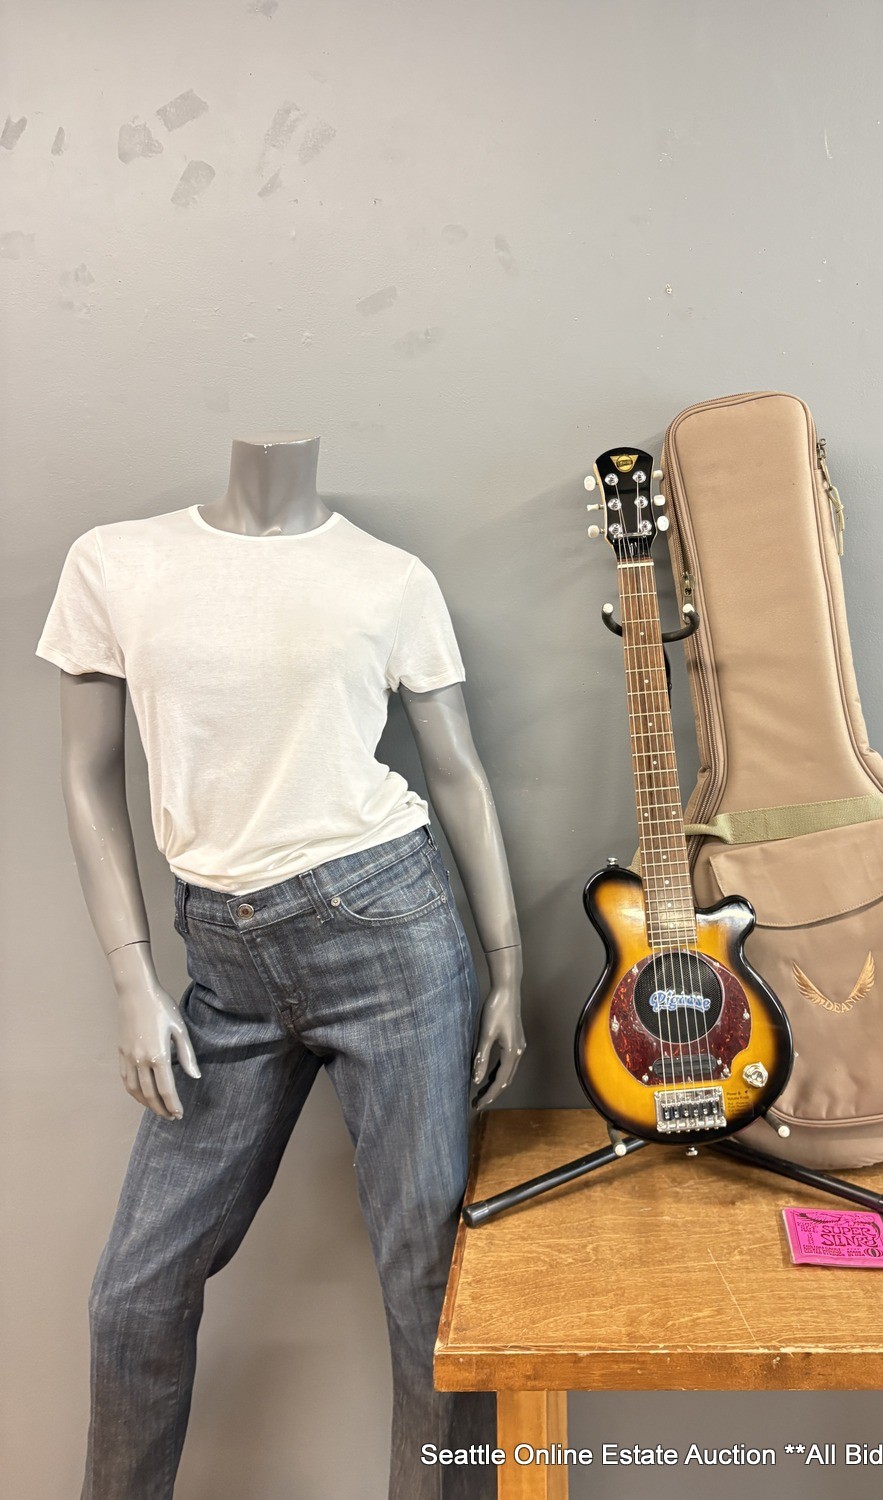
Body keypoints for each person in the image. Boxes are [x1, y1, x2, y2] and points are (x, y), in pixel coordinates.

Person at [35, 431, 523, 1499]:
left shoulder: (389, 579)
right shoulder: (115, 562)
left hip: (387, 932)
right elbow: (86, 774)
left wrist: (508, 969)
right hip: (223, 961)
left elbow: (459, 776)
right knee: (135, 1291)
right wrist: (130, 978)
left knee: (429, 1287)